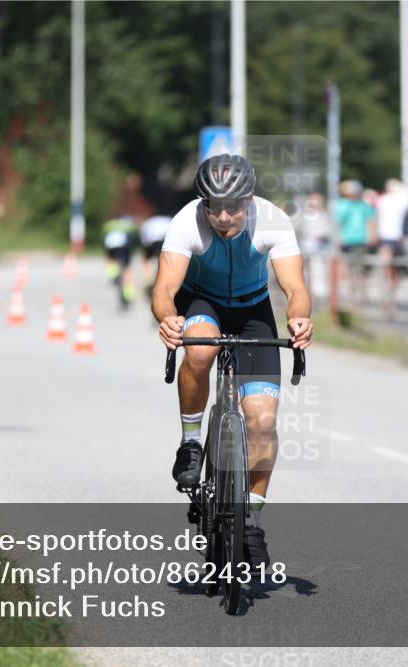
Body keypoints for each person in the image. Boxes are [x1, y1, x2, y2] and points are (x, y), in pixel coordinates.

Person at [151, 154, 312, 567]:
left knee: (261, 420)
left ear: (250, 199)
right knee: (201, 348)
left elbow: (294, 286)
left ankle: (252, 520)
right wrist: (168, 318)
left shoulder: (273, 220)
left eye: (233, 207)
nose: (222, 217)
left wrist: (299, 317)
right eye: (213, 207)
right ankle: (190, 442)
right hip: (201, 300)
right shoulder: (188, 221)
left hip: (252, 310)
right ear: (202, 203)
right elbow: (165, 288)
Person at [375, 179, 408, 283]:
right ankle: (392, 281)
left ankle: (386, 281)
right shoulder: (402, 200)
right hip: (398, 234)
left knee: (387, 260)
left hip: (385, 233)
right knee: (396, 261)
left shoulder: (382, 200)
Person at [102, 215, 139, 309]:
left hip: (111, 247)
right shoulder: (128, 224)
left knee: (110, 259)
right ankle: (129, 293)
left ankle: (112, 274)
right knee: (127, 269)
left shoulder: (109, 225)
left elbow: (103, 236)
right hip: (125, 247)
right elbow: (134, 237)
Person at [139, 213, 171, 297]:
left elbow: (143, 236)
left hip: (153, 243)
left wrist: (146, 247)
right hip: (165, 242)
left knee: (146, 260)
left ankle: (148, 280)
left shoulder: (148, 222)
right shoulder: (168, 219)